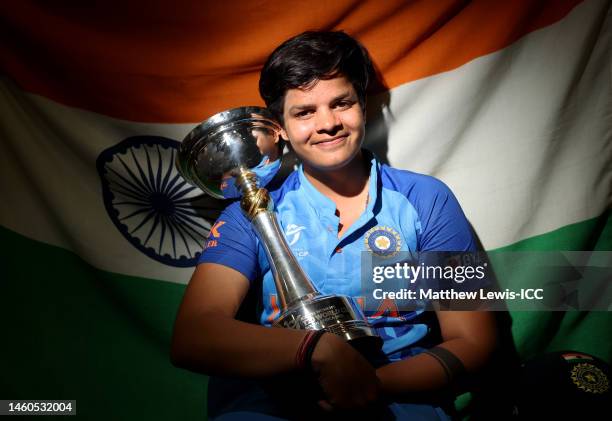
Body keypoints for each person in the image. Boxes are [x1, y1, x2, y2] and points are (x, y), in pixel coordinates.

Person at [171, 31, 497, 420]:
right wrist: (315, 350)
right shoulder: (249, 211)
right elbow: (193, 336)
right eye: (304, 112)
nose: (327, 123)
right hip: (275, 406)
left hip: (400, 401)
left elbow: (474, 341)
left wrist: (371, 385)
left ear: (363, 105)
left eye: (341, 103)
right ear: (280, 128)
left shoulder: (427, 199)